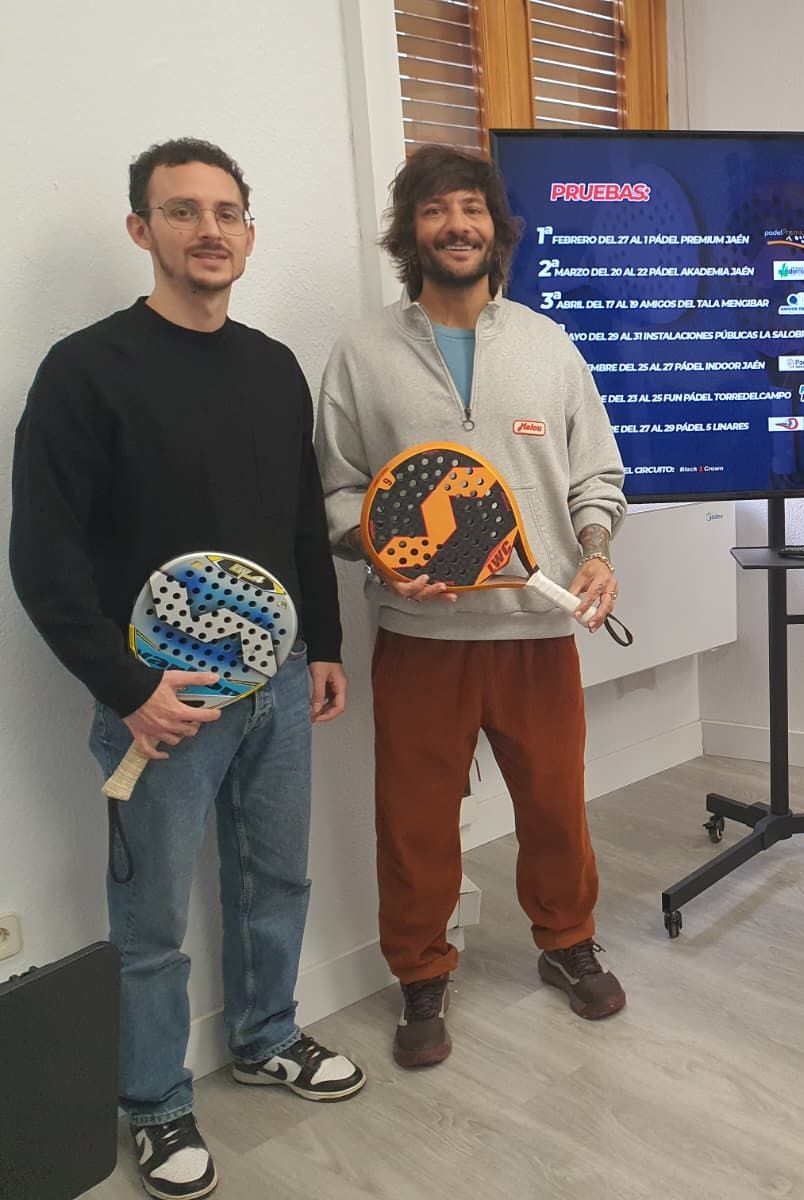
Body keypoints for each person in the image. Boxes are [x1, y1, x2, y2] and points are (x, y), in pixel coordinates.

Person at [9, 138, 365, 1200]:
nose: (208, 230)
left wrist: (329, 647)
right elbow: (43, 556)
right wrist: (128, 692)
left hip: (280, 692)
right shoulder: (85, 370)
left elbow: (300, 522)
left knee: (277, 882)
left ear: (248, 233)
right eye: (181, 212)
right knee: (151, 922)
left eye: (226, 212)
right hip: (158, 706)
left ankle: (263, 1038)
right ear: (142, 230)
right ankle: (156, 1104)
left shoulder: (271, 366)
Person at [316, 146, 628, 1071]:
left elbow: (595, 475)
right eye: (435, 210)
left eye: (472, 208)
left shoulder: (547, 344)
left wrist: (599, 551)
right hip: (421, 639)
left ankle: (566, 942)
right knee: (413, 820)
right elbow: (338, 494)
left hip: (536, 632)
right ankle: (420, 972)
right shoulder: (361, 354)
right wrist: (380, 550)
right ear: (409, 232)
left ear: (497, 227)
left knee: (556, 808)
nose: (456, 225)